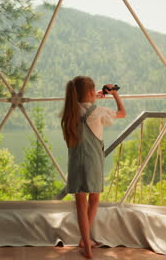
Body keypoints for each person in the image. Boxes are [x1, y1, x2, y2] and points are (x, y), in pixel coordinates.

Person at [60, 76, 126, 259]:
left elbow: (84, 107)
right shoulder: (97, 112)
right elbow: (122, 113)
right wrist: (114, 94)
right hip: (93, 160)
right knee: (94, 198)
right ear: (91, 92)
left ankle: (85, 244)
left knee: (80, 202)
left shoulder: (69, 112)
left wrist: (93, 98)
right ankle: (85, 243)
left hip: (75, 162)